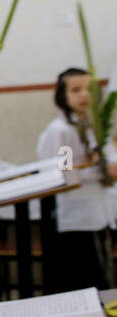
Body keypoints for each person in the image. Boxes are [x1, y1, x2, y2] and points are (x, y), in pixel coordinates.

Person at [36, 68, 116, 291]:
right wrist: (102, 171)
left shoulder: (94, 126)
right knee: (81, 281)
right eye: (75, 90)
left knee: (102, 279)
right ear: (62, 95)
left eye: (88, 89)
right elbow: (65, 171)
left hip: (97, 213)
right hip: (75, 217)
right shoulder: (60, 130)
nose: (84, 95)